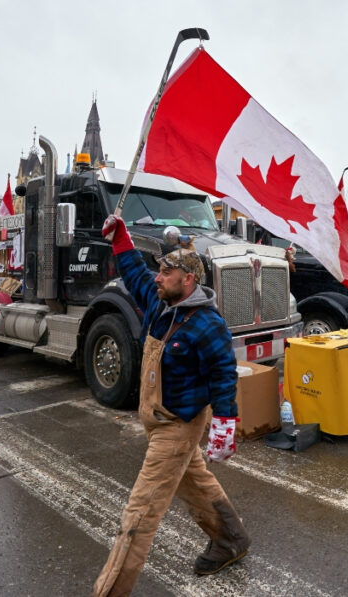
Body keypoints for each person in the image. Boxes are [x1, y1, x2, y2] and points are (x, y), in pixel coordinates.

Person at [93, 215, 249, 596]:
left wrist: (225, 424)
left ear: (188, 279)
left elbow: (224, 372)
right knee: (196, 483)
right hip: (159, 421)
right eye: (159, 271)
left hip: (178, 427)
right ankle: (231, 540)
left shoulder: (207, 323)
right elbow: (135, 273)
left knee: (140, 514)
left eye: (165, 271)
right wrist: (120, 238)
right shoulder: (162, 305)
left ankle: (110, 590)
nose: (157, 277)